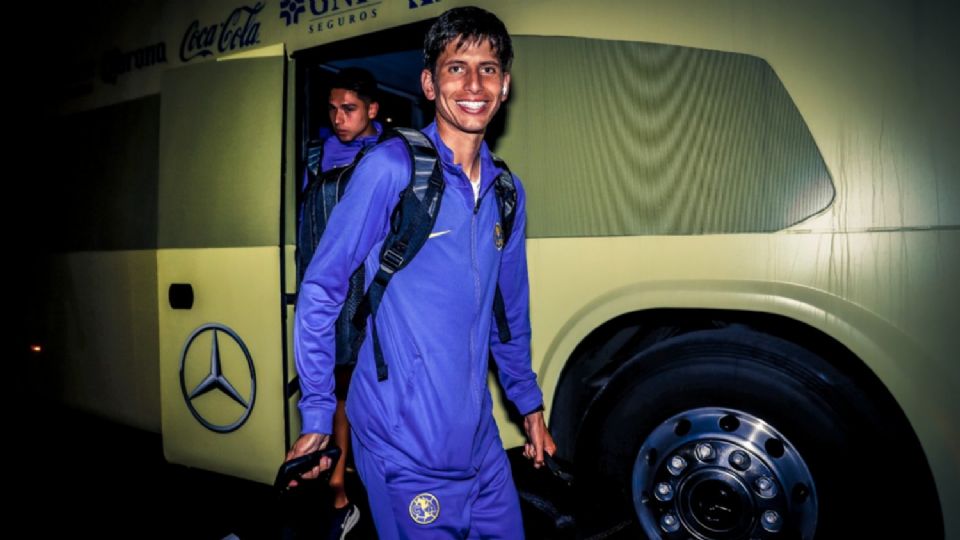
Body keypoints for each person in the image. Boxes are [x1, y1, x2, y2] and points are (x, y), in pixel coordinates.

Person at [287, 6, 556, 539]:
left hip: (478, 441)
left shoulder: (506, 190)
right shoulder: (391, 168)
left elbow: (509, 310)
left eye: (488, 68)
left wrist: (528, 404)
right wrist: (317, 413)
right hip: (402, 442)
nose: (474, 84)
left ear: (505, 85)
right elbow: (321, 288)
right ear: (430, 84)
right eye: (457, 67)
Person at [302, 66, 382, 539]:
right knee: (333, 387)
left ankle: (366, 487)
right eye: (332, 109)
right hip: (326, 286)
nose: (338, 118)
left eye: (349, 109)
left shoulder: (389, 155)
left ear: (373, 109)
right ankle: (337, 489)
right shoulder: (316, 155)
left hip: (369, 293)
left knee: (364, 390)